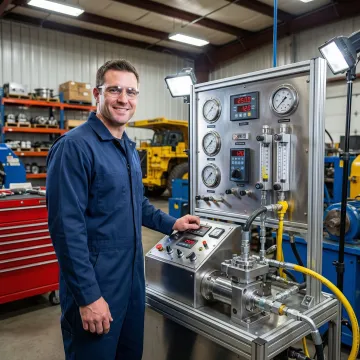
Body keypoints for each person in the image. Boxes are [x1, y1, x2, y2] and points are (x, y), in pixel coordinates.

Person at [46, 59, 200, 360]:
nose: (123, 99)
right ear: (97, 93)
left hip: (131, 282)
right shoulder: (74, 147)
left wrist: (173, 223)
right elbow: (66, 229)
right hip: (96, 284)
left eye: (131, 92)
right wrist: (88, 296)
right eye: (114, 90)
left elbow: (136, 203)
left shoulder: (128, 148)